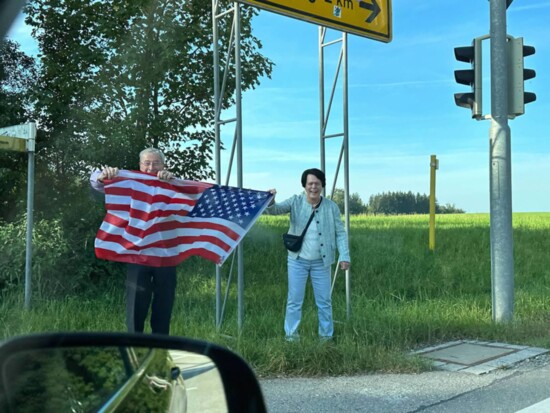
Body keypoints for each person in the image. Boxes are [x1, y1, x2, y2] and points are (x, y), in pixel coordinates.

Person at [90, 147, 176, 335]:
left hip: (166, 254)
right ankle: (134, 347)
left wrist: (173, 180)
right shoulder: (131, 182)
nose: (151, 167)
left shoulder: (170, 182)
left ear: (163, 165)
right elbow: (96, 183)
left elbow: (188, 195)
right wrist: (102, 176)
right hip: (137, 254)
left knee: (164, 306)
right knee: (135, 307)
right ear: (140, 165)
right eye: (147, 163)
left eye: (156, 163)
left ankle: (159, 351)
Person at [266, 168, 350, 341]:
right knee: (294, 301)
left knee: (324, 302)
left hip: (322, 262)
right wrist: (271, 199)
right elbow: (274, 210)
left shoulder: (331, 207)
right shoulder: (295, 201)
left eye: (317, 184)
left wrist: (344, 255)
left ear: (322, 186)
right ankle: (291, 338)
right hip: (297, 261)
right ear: (304, 185)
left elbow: (340, 233)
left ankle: (326, 338)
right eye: (310, 183)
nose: (313, 187)